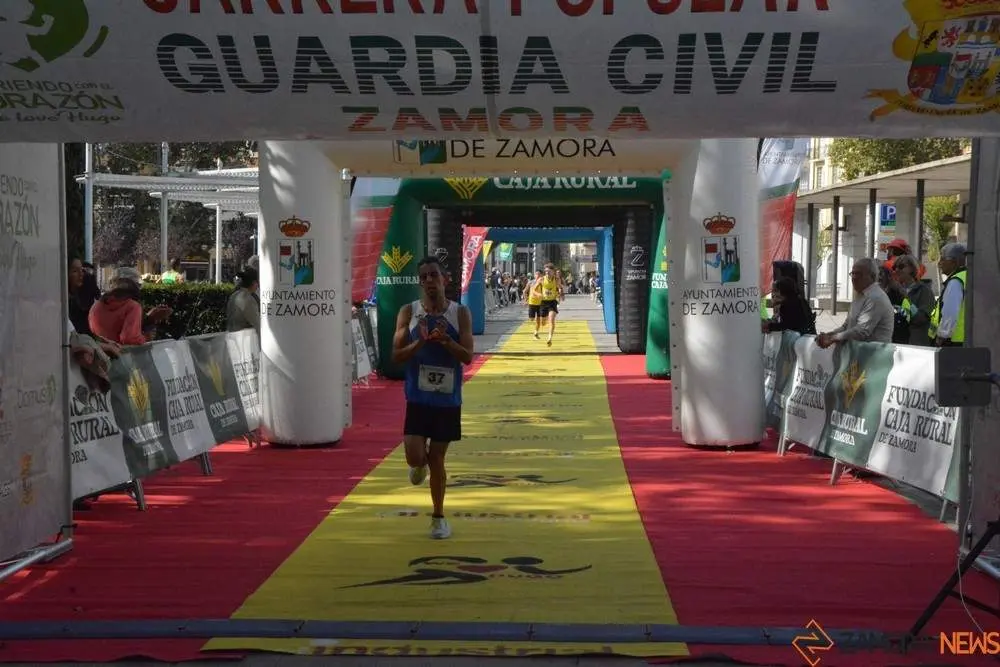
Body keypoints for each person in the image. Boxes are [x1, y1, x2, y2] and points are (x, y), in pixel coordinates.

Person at [391, 256, 474, 540]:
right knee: (416, 457)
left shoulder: (460, 313)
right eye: (423, 276)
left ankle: (438, 517)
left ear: (445, 280)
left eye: (433, 275)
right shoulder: (408, 312)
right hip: (417, 397)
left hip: (447, 400)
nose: (428, 281)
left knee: (437, 458)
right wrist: (421, 342)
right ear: (419, 282)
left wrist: (447, 341)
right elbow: (396, 356)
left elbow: (467, 358)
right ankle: (418, 465)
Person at [816, 257, 894, 348]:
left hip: (874, 356)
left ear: (872, 277)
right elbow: (846, 326)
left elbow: (861, 331)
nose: (854, 278)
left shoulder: (875, 297)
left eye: (858, 274)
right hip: (859, 355)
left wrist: (832, 338)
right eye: (852, 274)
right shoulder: (860, 295)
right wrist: (829, 334)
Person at [89, 267, 172, 346]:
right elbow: (129, 339)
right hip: (124, 357)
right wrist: (147, 336)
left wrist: (149, 318)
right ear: (134, 286)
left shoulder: (96, 306)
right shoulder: (133, 307)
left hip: (101, 356)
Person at [892, 254, 935, 346]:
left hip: (915, 345)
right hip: (897, 345)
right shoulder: (894, 291)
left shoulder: (924, 291)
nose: (897, 270)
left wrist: (906, 297)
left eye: (901, 267)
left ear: (912, 268)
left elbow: (921, 319)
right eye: (895, 267)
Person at [929, 243, 967, 347]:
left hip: (951, 342)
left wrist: (942, 335)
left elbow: (950, 312)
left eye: (942, 259)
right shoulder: (967, 276)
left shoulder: (956, 281)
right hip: (963, 340)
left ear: (954, 261)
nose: (939, 263)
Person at [227, 267, 260, 334]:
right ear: (254, 282)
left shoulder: (234, 295)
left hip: (232, 339)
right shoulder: (248, 299)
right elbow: (257, 325)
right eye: (257, 282)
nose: (258, 285)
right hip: (244, 340)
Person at [538, 263, 561, 346]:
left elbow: (560, 287)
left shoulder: (556, 279)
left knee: (551, 320)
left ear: (553, 272)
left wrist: (560, 293)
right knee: (543, 323)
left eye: (549, 271)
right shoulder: (541, 279)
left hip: (552, 302)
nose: (547, 273)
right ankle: (545, 318)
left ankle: (549, 338)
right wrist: (538, 294)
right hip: (543, 302)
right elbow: (533, 290)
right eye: (546, 271)